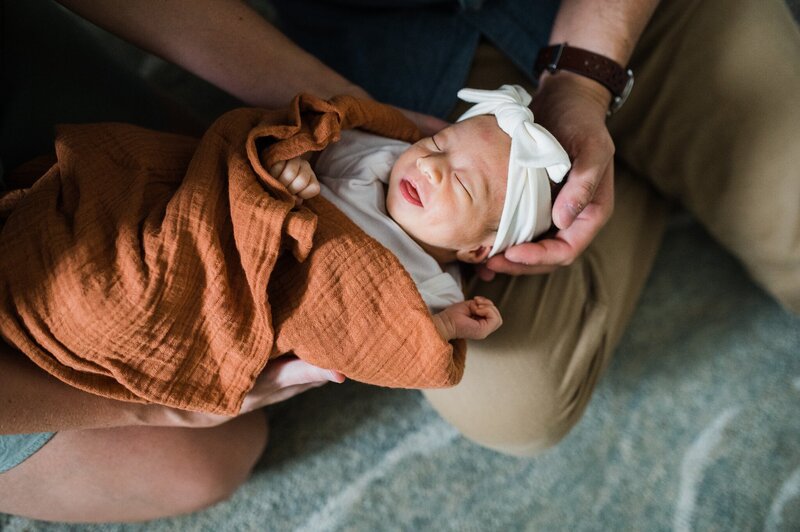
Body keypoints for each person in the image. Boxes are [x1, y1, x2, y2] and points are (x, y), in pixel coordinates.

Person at [1, 0, 798, 523]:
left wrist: (587, 82)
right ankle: (636, 172)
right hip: (415, 54)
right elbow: (316, 156)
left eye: (460, 177)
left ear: (486, 251)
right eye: (440, 147)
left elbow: (412, 321)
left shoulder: (432, 265)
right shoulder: (396, 156)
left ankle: (637, 150)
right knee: (516, 405)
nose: (433, 163)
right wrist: (291, 158)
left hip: (613, 23)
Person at [271, 84, 569, 342]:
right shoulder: (380, 159)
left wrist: (448, 326)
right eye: (437, 144)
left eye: (463, 185)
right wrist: (297, 165)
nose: (430, 165)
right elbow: (317, 137)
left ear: (476, 250)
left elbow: (402, 343)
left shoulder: (439, 290)